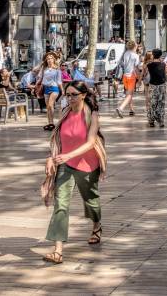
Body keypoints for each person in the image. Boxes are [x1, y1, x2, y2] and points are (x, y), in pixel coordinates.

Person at [41, 81, 107, 264]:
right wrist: (51, 157)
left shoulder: (92, 115)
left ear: (83, 95)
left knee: (91, 200)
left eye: (73, 95)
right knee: (60, 205)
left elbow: (91, 142)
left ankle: (97, 225)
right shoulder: (65, 113)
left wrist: (68, 155)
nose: (69, 98)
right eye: (67, 95)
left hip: (87, 165)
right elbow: (57, 140)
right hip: (66, 165)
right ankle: (58, 250)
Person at [115, 41, 140, 118]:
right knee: (129, 94)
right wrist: (139, 78)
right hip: (131, 76)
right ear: (134, 47)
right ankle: (121, 108)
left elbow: (122, 64)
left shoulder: (125, 54)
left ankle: (131, 110)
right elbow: (136, 68)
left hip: (125, 76)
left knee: (129, 93)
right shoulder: (135, 56)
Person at [40, 52, 64, 131]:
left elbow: (59, 81)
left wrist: (62, 90)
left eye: (50, 58)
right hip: (46, 88)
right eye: (47, 59)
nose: (49, 60)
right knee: (48, 107)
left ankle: (52, 123)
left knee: (50, 105)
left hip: (54, 88)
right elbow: (42, 79)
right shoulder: (44, 69)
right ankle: (50, 123)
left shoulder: (57, 69)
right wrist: (40, 87)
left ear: (53, 60)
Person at [145, 49, 167, 128]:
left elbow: (145, 72)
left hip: (153, 85)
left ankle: (151, 120)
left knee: (152, 103)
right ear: (160, 55)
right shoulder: (163, 64)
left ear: (153, 55)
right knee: (161, 103)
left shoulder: (149, 64)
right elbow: (165, 74)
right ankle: (161, 120)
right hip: (162, 85)